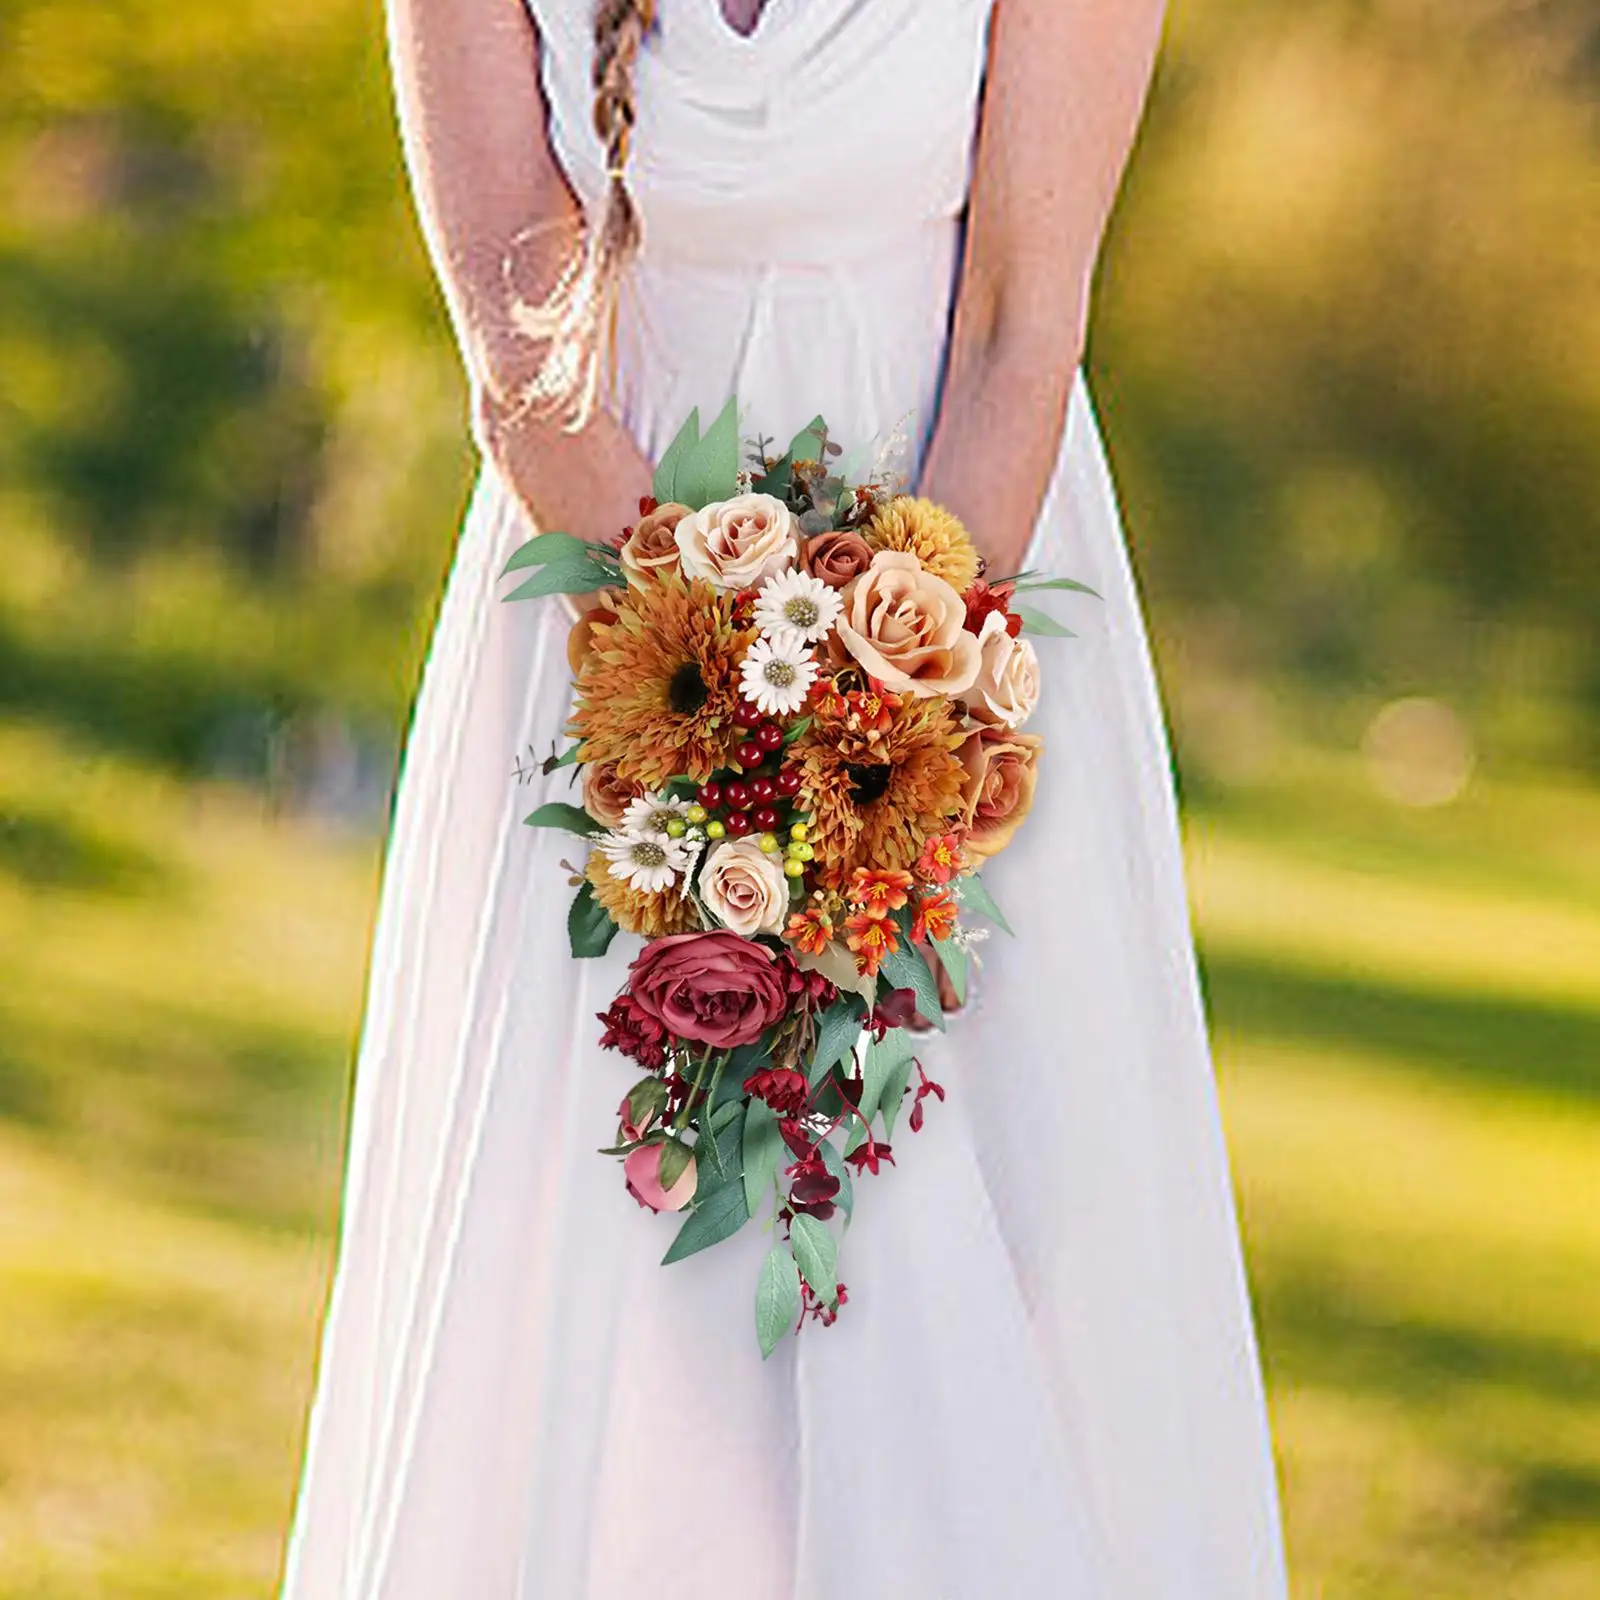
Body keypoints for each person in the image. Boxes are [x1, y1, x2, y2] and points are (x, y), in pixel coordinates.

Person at [282, 1, 1289, 1594]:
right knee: (608, 1266)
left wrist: (886, 736)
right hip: (601, 628)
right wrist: (710, 737)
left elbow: (1020, 322)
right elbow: (522, 363)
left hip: (956, 593)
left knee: (957, 1249)